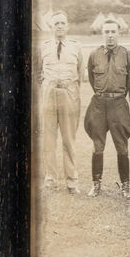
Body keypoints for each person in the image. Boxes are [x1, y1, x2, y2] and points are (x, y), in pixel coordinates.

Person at [84, 19, 130, 197]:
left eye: (113, 31)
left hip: (118, 103)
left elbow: (129, 83)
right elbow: (92, 79)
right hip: (99, 104)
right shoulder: (94, 54)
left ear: (119, 33)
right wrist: (103, 95)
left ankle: (126, 186)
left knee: (122, 147)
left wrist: (117, 97)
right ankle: (96, 184)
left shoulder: (127, 55)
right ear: (102, 33)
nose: (110, 35)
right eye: (106, 32)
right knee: (97, 146)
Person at [36, 11, 83, 194]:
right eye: (56, 23)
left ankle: (72, 182)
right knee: (48, 140)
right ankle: (50, 181)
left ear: (68, 25)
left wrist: (69, 89)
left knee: (69, 140)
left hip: (69, 93)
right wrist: (49, 87)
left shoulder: (76, 47)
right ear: (51, 26)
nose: (60, 26)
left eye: (63, 23)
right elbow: (38, 73)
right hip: (49, 93)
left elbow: (80, 73)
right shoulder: (43, 47)